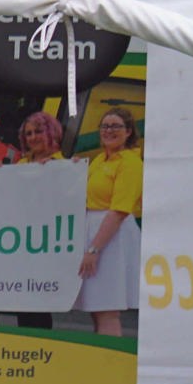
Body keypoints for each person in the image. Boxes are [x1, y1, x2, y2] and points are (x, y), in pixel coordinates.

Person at [73, 107, 143, 339]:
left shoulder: (130, 163)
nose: (109, 131)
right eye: (105, 126)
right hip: (95, 230)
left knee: (107, 308)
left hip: (112, 237)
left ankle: (109, 362)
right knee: (96, 307)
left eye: (116, 126)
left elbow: (118, 212)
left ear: (129, 132)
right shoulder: (99, 160)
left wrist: (94, 249)